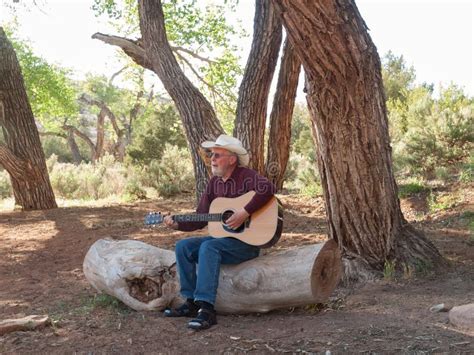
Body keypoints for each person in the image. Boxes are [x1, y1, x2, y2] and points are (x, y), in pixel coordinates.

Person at [163, 134, 276, 330]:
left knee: (209, 246)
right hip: (223, 242)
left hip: (247, 244)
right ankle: (190, 301)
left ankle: (206, 309)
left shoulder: (246, 176)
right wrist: (177, 224)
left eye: (217, 155)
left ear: (232, 159)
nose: (212, 159)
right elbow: (200, 217)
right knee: (183, 246)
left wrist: (245, 212)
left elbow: (268, 188)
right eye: (211, 155)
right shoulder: (213, 184)